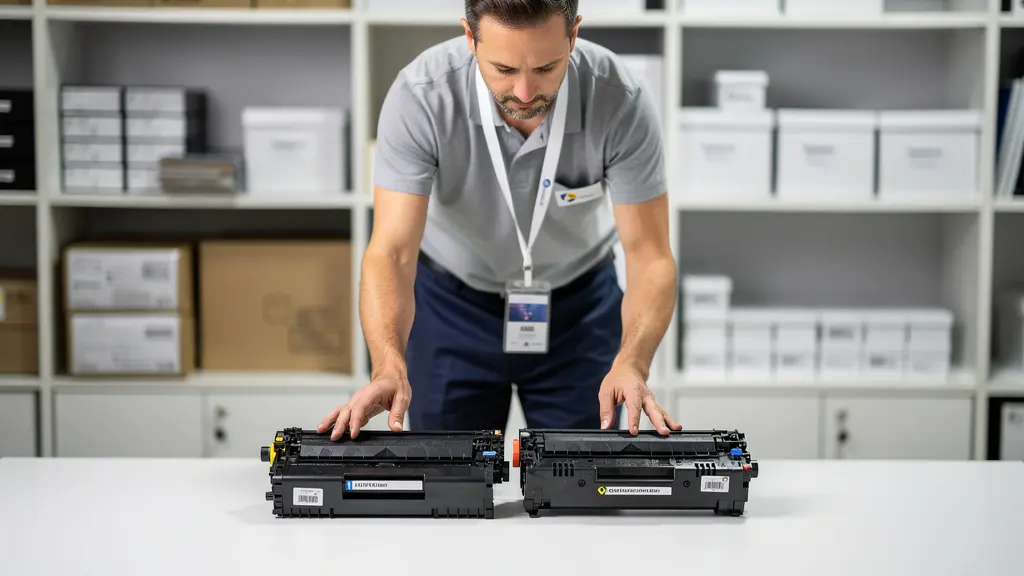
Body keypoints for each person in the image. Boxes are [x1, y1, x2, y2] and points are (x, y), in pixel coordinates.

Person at [318, 0, 681, 441]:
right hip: (452, 307)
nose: (526, 93)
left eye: (547, 67)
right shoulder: (421, 95)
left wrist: (633, 361)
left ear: (573, 35)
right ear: (470, 39)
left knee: (583, 488)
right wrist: (386, 364)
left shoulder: (620, 99)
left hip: (578, 313)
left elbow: (650, 256)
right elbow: (391, 253)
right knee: (449, 489)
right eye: (505, 69)